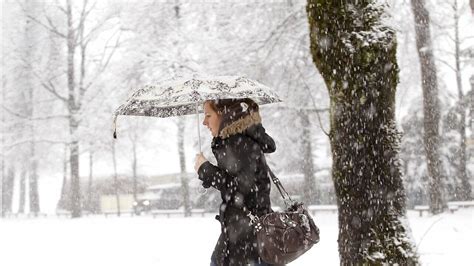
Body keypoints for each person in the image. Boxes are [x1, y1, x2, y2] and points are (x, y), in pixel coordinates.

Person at [194, 98, 280, 266]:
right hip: (244, 235)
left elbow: (240, 190)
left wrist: (206, 170)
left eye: (208, 115)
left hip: (247, 240)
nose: (204, 122)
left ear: (224, 115)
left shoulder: (239, 143)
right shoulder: (234, 141)